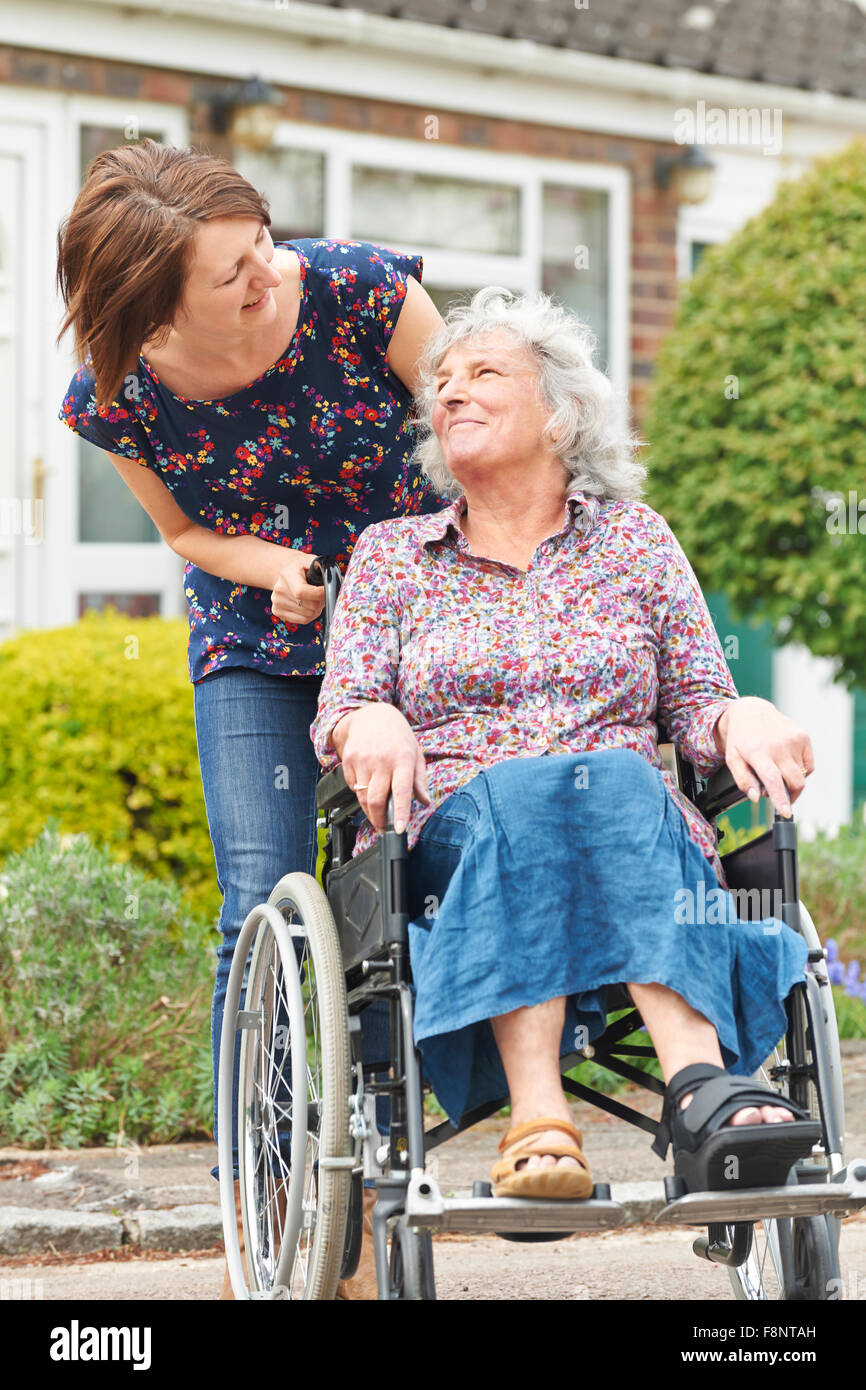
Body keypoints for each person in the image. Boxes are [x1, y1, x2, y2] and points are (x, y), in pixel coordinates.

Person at [310, 287, 820, 1200]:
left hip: (630, 835)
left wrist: (742, 713)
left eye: (484, 374)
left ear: (560, 413)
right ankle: (539, 1114)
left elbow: (698, 696)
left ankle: (699, 1091)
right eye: (443, 383)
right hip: (454, 847)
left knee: (615, 779)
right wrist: (367, 719)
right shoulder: (392, 556)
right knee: (525, 790)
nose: (450, 393)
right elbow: (341, 705)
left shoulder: (635, 542)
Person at [55, 138, 444, 1296]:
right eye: (234, 273)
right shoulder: (116, 395)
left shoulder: (362, 294)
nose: (269, 272)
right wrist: (268, 562)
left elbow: (485, 435)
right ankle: (269, 1214)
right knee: (259, 904)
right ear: (156, 314)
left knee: (387, 911)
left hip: (418, 632)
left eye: (261, 243)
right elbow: (182, 533)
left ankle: (373, 1198)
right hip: (257, 645)